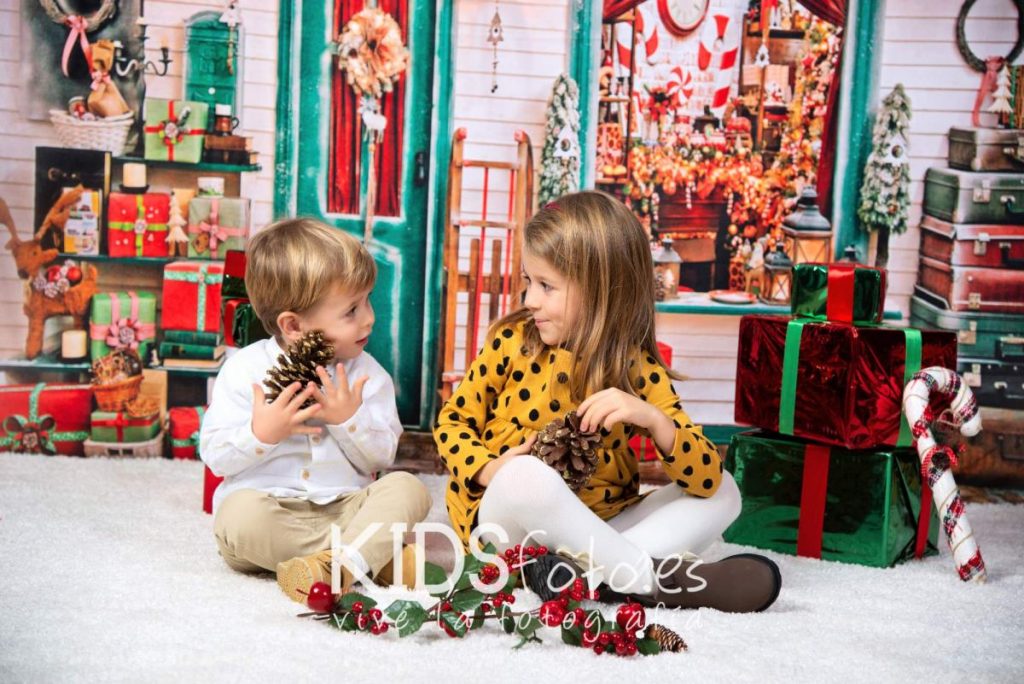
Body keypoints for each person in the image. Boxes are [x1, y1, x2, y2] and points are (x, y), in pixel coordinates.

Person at [434, 192, 780, 612]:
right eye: (529, 281)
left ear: (601, 291)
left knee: (725, 491)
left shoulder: (634, 366)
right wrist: (492, 468)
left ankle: (582, 577)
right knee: (527, 476)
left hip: (599, 524)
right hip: (506, 524)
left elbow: (703, 477)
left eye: (546, 286)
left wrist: (654, 421)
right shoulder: (512, 341)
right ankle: (648, 579)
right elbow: (451, 423)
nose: (530, 299)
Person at [201, 218, 431, 604]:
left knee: (409, 488)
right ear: (293, 325)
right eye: (351, 310)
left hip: (346, 508)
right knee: (235, 518)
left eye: (368, 300)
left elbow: (382, 456)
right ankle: (369, 556)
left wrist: (348, 421)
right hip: (270, 509)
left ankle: (331, 568)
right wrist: (261, 435)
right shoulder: (244, 370)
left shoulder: (368, 376)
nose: (370, 317)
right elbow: (216, 457)